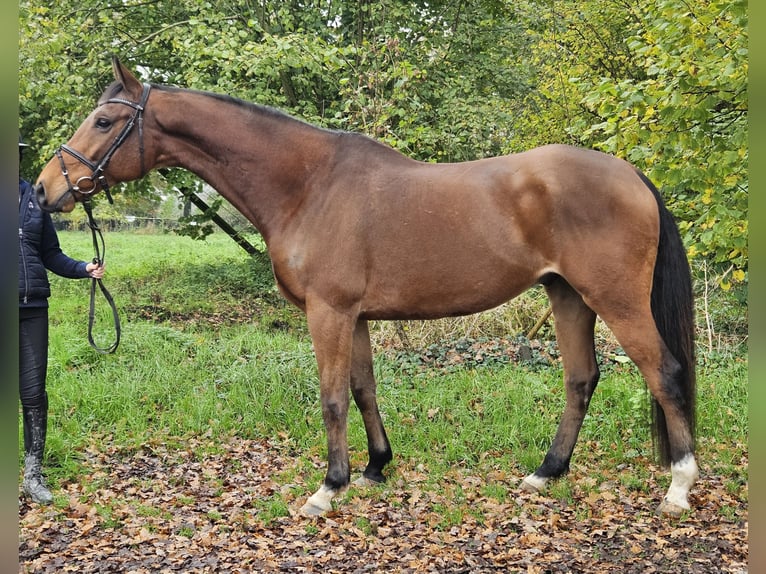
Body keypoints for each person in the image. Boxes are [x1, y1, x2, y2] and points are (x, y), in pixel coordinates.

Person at [18, 135, 104, 504]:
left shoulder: (35, 201)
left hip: (32, 309)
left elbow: (51, 255)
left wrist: (83, 268)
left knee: (34, 394)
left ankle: (32, 474)